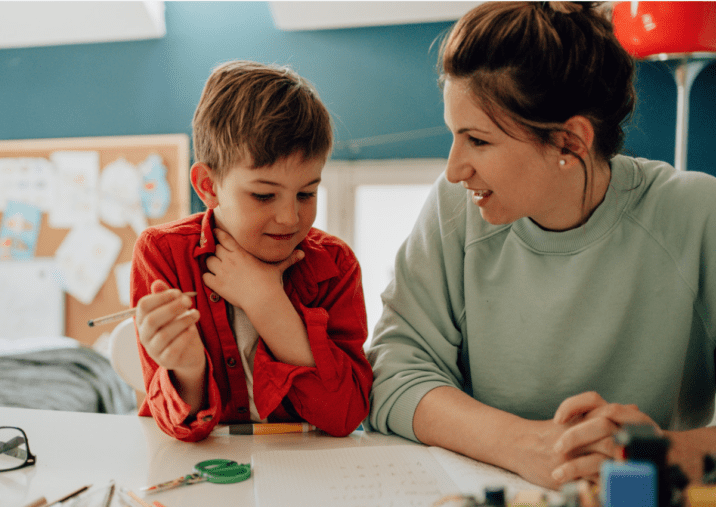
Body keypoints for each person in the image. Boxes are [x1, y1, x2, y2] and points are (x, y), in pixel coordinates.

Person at [367, 1, 716, 490]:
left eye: (478, 141)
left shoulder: (699, 214)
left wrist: (665, 452)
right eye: (455, 136)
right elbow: (392, 373)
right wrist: (526, 444)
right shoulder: (455, 208)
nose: (454, 168)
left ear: (569, 142)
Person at [130, 60, 372, 442]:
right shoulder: (162, 253)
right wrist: (188, 369)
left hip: (305, 470)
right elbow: (181, 427)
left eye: (307, 193)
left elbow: (345, 416)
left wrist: (266, 302)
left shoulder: (335, 264)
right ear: (208, 186)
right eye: (263, 194)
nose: (291, 217)